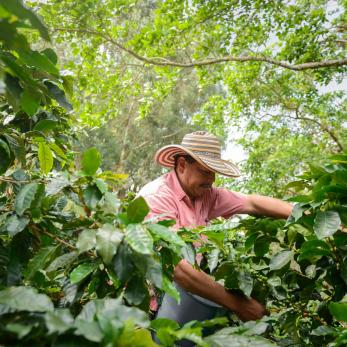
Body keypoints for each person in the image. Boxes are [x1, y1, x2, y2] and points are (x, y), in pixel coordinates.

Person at [138, 131, 292, 321]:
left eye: (214, 172)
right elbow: (176, 266)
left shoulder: (205, 195)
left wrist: (304, 213)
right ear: (182, 165)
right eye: (206, 171)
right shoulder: (157, 197)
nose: (212, 180)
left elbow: (251, 202)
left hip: (173, 303)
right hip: (139, 308)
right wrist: (238, 304)